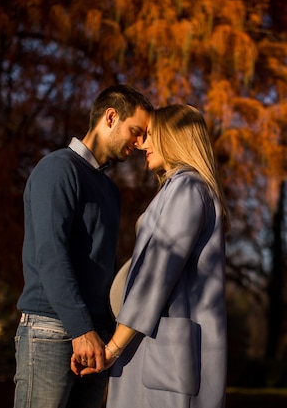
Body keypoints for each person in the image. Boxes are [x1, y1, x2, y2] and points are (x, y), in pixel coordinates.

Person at [73, 104, 229, 408]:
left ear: (174, 137)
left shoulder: (186, 188)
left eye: (151, 135)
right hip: (155, 349)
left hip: (161, 356)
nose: (142, 143)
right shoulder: (180, 189)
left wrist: (112, 348)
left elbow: (155, 276)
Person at [13, 84, 153, 408]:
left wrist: (103, 335)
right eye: (136, 131)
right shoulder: (58, 168)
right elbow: (50, 254)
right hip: (51, 330)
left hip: (94, 340)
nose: (140, 142)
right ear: (110, 116)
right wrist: (80, 330)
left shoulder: (110, 190)